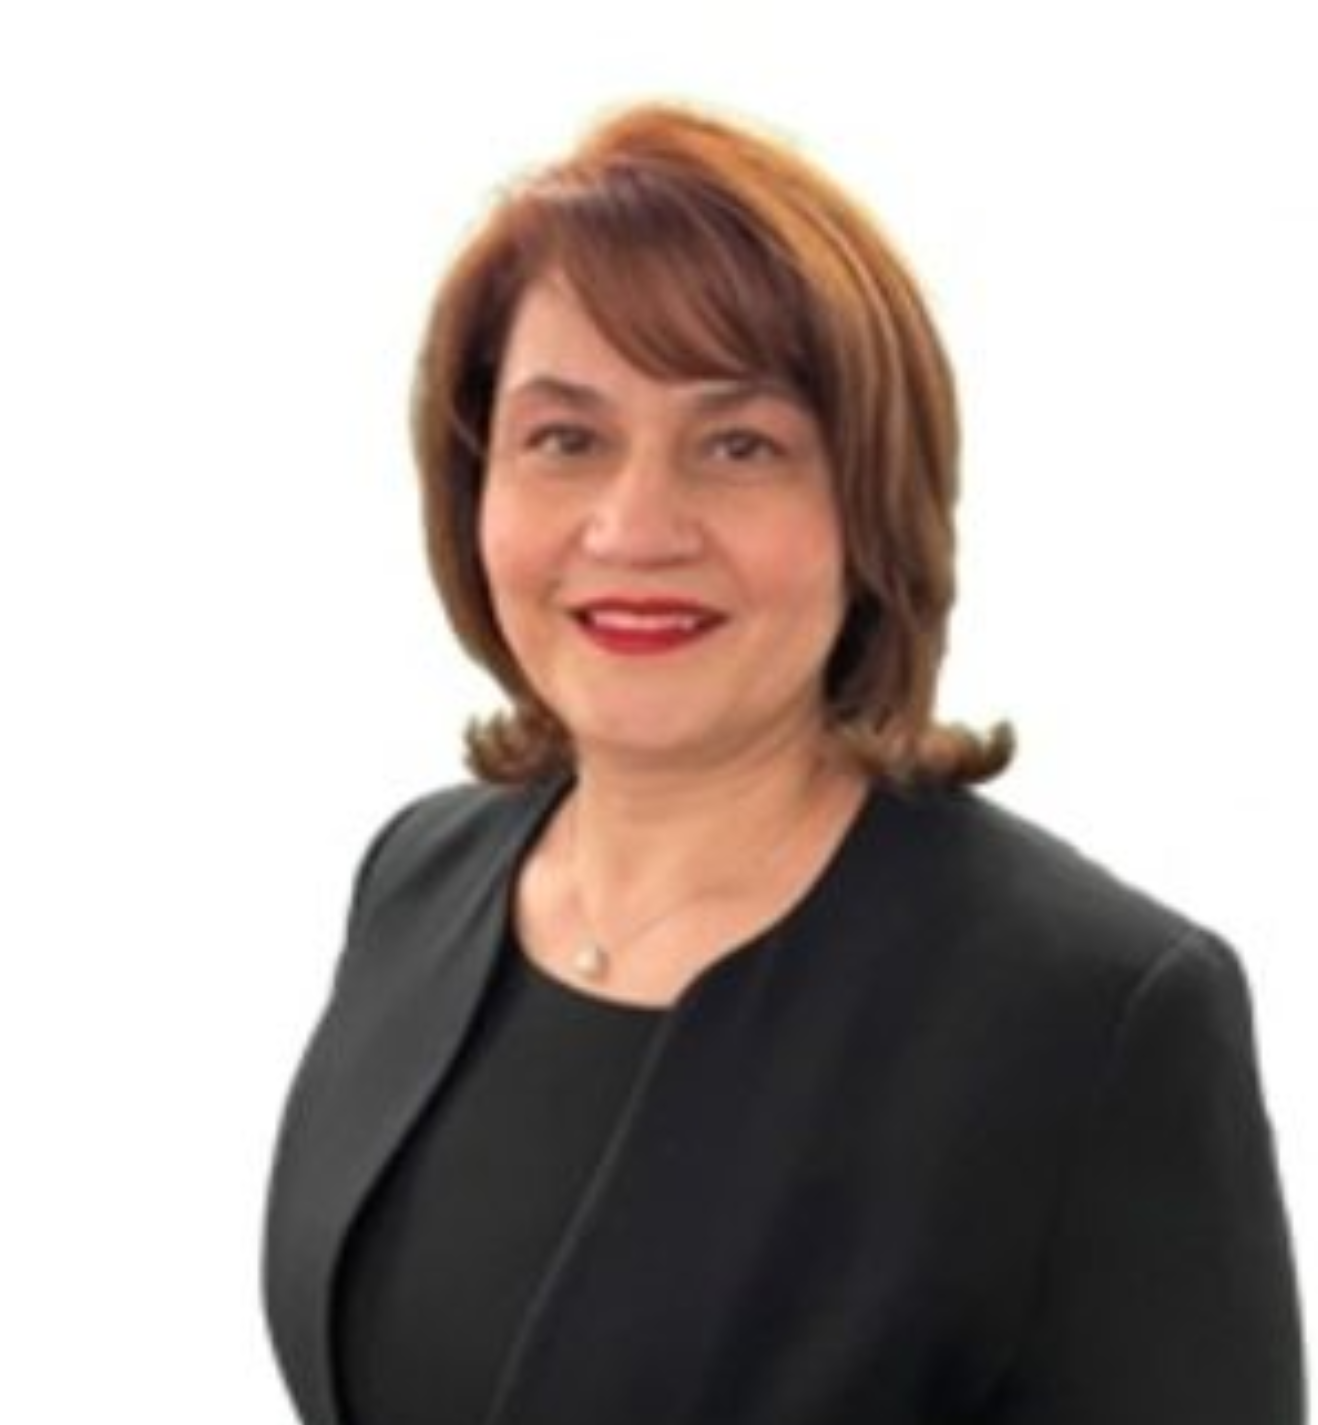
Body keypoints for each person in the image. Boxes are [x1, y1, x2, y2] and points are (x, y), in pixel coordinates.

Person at [261, 100, 1306, 1425]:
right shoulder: (419, 876)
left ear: (869, 505)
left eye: (739, 445)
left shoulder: (1092, 1015)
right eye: (566, 438)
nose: (634, 527)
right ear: (475, 484)